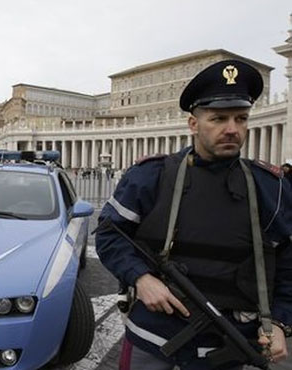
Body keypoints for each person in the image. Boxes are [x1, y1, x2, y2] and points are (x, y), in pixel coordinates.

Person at [96, 60, 292, 369]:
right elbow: (109, 234)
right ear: (193, 124)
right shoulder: (151, 176)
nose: (232, 129)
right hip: (154, 338)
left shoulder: (270, 187)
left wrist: (280, 323)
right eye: (218, 118)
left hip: (230, 342)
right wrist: (141, 277)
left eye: (241, 118)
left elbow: (286, 264)